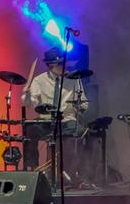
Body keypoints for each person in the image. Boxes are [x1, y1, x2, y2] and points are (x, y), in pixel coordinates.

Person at [21, 47, 88, 182]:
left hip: (66, 120)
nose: (65, 66)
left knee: (79, 132)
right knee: (29, 130)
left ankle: (71, 174)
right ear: (51, 65)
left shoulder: (74, 79)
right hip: (46, 121)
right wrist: (26, 94)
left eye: (64, 63)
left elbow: (84, 102)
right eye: (61, 64)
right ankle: (32, 168)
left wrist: (80, 107)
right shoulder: (39, 80)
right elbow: (31, 103)